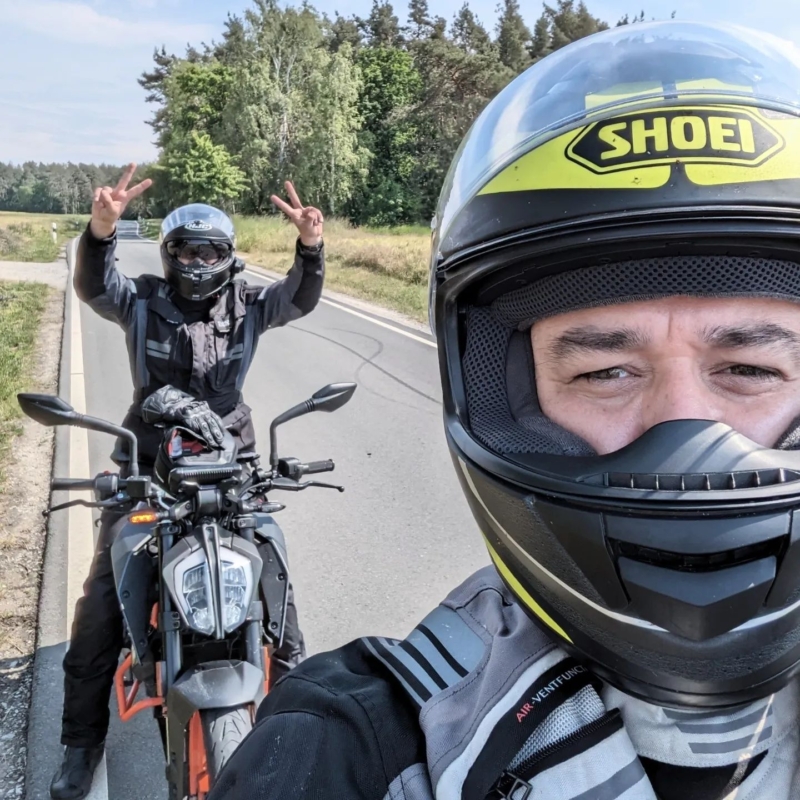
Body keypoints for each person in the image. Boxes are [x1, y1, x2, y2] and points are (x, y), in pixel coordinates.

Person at [208, 21, 800, 800]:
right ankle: (80, 741)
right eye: (607, 370)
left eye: (750, 368)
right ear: (503, 396)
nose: (684, 439)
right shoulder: (356, 752)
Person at [50, 167, 325, 800]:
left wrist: (310, 247)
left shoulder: (250, 305)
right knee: (98, 612)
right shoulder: (142, 301)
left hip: (234, 466)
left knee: (281, 606)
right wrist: (100, 231)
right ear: (171, 255)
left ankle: (299, 732)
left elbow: (300, 297)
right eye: (188, 250)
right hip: (150, 467)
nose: (199, 260)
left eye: (211, 251)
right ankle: (80, 745)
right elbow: (96, 286)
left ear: (228, 258)